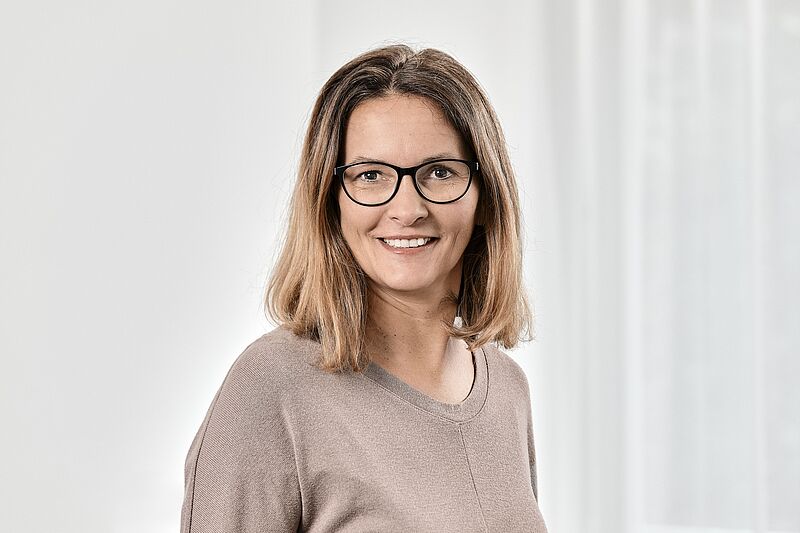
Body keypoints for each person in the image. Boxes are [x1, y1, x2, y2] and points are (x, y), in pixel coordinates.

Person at [181, 43, 547, 533]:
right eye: (370, 175)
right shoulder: (271, 390)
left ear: (485, 196)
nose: (407, 209)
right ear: (331, 201)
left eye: (440, 172)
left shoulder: (506, 389)